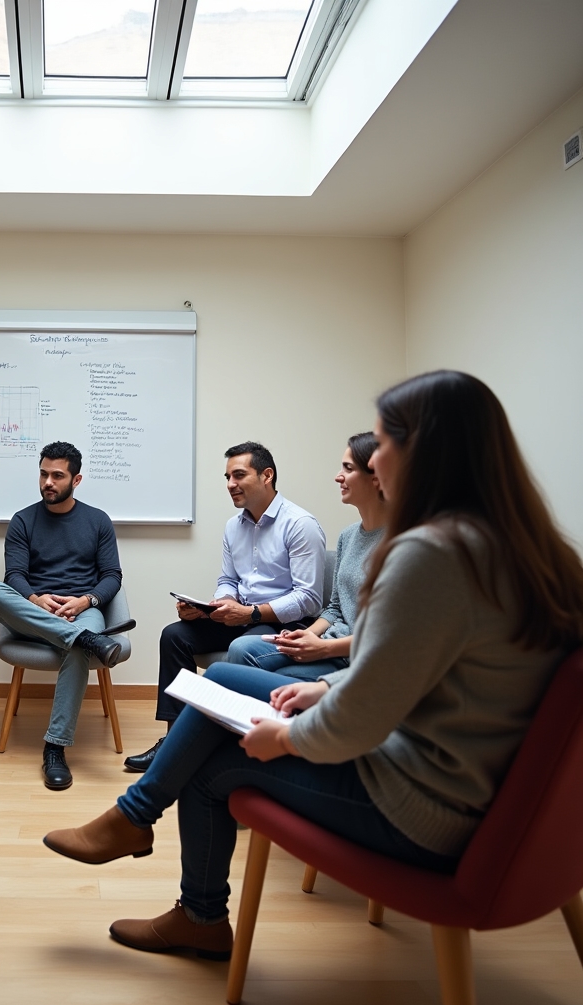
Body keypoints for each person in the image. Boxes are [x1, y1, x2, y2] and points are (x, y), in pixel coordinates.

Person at [42, 369, 583, 963]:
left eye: (383, 447)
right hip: (478, 792)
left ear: (425, 451)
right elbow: (422, 676)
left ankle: (186, 898)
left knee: (211, 762)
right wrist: (323, 688)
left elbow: (363, 720)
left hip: (423, 808)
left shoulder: (429, 554)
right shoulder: (533, 550)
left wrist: (286, 736)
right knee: (218, 679)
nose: (372, 464)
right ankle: (136, 819)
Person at [124, 441, 326, 773]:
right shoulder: (234, 526)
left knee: (241, 645)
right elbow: (228, 580)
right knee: (175, 635)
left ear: (267, 476)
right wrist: (215, 605)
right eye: (227, 476)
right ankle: (174, 743)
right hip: (243, 615)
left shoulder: (299, 524)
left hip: (284, 624)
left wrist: (251, 613)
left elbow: (308, 599)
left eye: (239, 475)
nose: (230, 484)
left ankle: (227, 746)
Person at [0, 441, 125, 790]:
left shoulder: (98, 520)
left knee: (77, 647)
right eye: (44, 474)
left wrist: (85, 601)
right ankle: (87, 640)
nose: (48, 482)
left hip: (81, 611)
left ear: (76, 480)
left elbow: (112, 576)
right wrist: (34, 599)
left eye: (57, 476)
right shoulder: (23, 520)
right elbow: (13, 575)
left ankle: (55, 747)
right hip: (35, 613)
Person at [211, 431, 386, 694]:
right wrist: (308, 635)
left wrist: (323, 647)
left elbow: (391, 635)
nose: (338, 476)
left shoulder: (402, 544)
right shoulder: (348, 537)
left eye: (348, 469)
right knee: (222, 653)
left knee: (230, 667)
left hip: (351, 654)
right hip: (327, 640)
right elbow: (335, 608)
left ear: (377, 477)